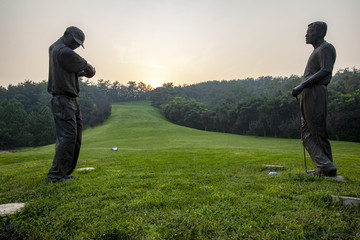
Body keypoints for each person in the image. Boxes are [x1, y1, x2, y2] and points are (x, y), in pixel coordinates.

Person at [46, 26, 96, 183]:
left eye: (78, 44)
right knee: (68, 137)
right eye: (74, 41)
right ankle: (55, 176)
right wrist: (88, 71)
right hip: (64, 100)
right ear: (66, 35)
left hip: (68, 98)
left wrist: (76, 72)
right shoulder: (65, 52)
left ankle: (64, 173)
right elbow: (89, 70)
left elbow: (67, 69)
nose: (75, 46)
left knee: (73, 137)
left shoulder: (54, 48)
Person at [292, 21, 337, 177]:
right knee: (306, 134)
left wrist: (302, 85)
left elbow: (326, 70)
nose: (306, 34)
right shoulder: (317, 50)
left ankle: (327, 167)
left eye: (310, 31)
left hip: (316, 92)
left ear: (320, 33)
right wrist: (302, 86)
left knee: (317, 131)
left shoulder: (326, 48)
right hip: (308, 92)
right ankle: (325, 166)